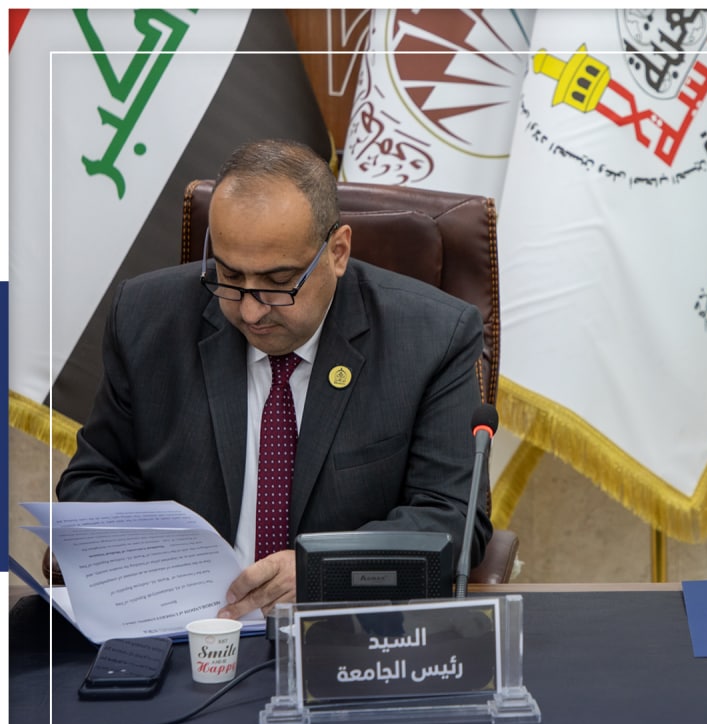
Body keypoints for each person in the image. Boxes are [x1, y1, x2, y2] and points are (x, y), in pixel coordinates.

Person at [56, 138, 492, 619]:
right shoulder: (145, 318)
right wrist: (161, 561)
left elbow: (452, 519)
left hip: (342, 629)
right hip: (187, 626)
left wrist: (324, 570)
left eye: (279, 283)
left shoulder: (432, 337)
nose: (250, 310)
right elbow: (93, 480)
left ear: (338, 252)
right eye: (229, 275)